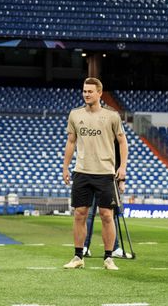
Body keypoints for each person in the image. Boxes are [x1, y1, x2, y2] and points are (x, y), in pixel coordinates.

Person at [62, 77, 128, 271]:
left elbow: (123, 142)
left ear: (100, 93)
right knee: (79, 214)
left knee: (107, 215)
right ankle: (78, 256)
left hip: (105, 173)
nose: (86, 94)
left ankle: (108, 258)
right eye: (84, 91)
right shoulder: (75, 114)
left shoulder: (112, 116)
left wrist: (122, 167)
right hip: (81, 171)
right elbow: (71, 142)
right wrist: (65, 167)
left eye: (90, 91)